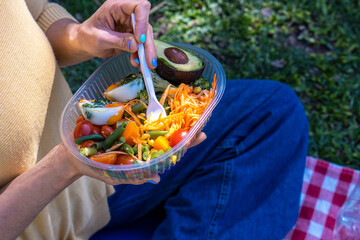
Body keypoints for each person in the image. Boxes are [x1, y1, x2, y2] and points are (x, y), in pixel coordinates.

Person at [0, 0, 309, 239]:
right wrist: (65, 165)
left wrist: (81, 36)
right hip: (44, 217)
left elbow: (35, 15)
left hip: (94, 185)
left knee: (272, 112)